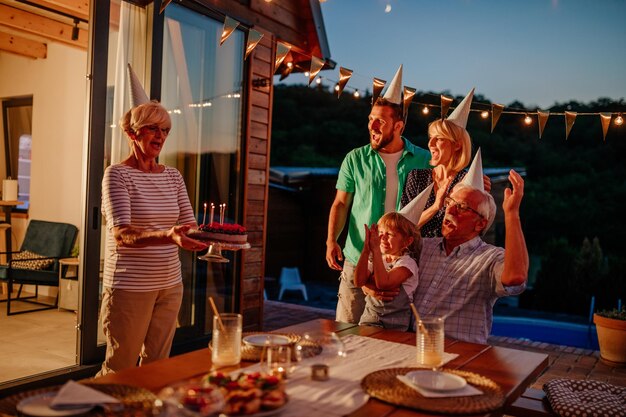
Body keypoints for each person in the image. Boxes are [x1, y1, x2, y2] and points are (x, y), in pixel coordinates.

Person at [98, 98, 208, 375]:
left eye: (165, 130)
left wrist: (220, 239)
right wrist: (169, 236)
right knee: (119, 368)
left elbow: (188, 225)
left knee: (157, 366)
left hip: (170, 285)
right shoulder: (117, 175)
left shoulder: (173, 176)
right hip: (130, 287)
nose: (160, 136)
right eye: (152, 128)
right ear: (132, 133)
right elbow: (122, 234)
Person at [326, 65, 430, 323]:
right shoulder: (355, 158)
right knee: (346, 332)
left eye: (380, 121)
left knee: (387, 336)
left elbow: (449, 184)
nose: (372, 125)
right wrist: (331, 240)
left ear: (398, 127)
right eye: (371, 118)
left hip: (399, 263)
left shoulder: (424, 160)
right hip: (357, 256)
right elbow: (340, 203)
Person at [411, 164, 528, 344]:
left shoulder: (488, 258)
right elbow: (390, 240)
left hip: (460, 355)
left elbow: (516, 277)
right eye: (449, 203)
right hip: (411, 346)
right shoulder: (424, 247)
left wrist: (511, 214)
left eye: (462, 207)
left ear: (480, 224)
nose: (449, 211)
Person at [401, 88, 483, 237]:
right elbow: (402, 227)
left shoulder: (466, 183)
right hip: (413, 256)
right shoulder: (416, 177)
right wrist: (435, 206)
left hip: (450, 259)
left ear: (457, 145)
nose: (430, 144)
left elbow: (470, 231)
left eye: (439, 138)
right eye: (430, 137)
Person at [354, 212, 420, 331]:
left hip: (396, 327)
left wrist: (376, 251)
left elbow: (384, 283)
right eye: (380, 232)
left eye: (390, 234)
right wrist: (366, 250)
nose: (382, 238)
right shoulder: (376, 259)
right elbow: (358, 281)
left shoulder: (407, 263)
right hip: (369, 321)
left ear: (407, 241)